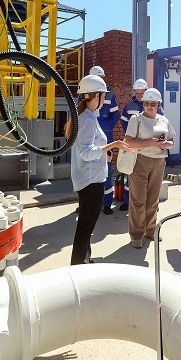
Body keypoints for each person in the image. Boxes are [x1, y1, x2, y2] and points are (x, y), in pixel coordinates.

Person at [68, 74, 128, 265]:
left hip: (91, 178)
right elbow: (86, 152)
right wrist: (114, 145)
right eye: (104, 95)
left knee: (86, 226)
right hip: (90, 182)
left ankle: (84, 261)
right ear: (96, 96)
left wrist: (104, 154)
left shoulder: (89, 116)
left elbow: (92, 147)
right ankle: (77, 265)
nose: (105, 99)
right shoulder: (87, 119)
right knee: (85, 227)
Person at [124, 88, 175, 248]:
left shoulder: (164, 120)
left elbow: (171, 140)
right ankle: (136, 234)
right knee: (138, 199)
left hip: (159, 162)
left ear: (158, 105)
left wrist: (167, 144)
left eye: (153, 104)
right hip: (141, 160)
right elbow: (129, 142)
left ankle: (150, 230)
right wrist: (151, 142)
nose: (149, 106)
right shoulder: (136, 119)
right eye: (146, 103)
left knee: (153, 199)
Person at [120, 78, 163, 211]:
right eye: (137, 93)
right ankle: (127, 201)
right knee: (131, 172)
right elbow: (124, 122)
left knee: (151, 178)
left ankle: (151, 204)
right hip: (134, 144)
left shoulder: (154, 105)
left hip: (150, 147)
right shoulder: (129, 106)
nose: (139, 95)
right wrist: (132, 136)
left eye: (141, 93)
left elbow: (160, 124)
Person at [88, 65, 120, 215]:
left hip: (106, 138)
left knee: (105, 169)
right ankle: (86, 203)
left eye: (100, 78)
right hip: (89, 135)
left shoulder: (110, 95)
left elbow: (115, 115)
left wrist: (105, 128)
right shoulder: (85, 94)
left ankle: (106, 203)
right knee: (87, 169)